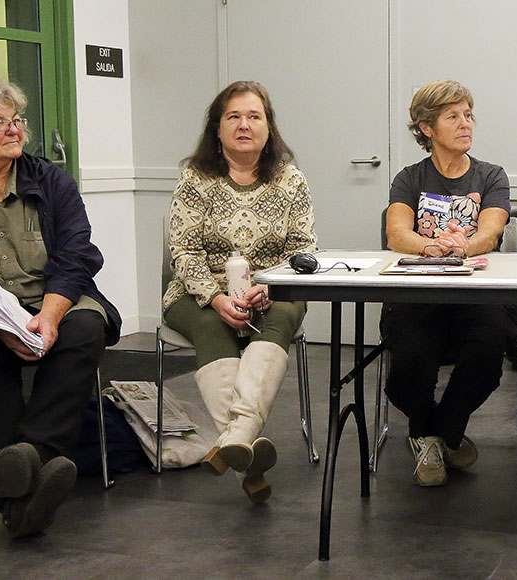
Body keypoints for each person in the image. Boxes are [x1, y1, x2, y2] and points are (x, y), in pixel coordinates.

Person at [0, 78, 121, 537]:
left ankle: (28, 456)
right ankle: (21, 499)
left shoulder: (52, 180)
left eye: (16, 120)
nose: (14, 129)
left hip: (53, 298)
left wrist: (50, 315)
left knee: (84, 330)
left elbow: (77, 254)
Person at [163, 80, 317, 503]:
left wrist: (268, 287)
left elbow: (303, 250)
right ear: (217, 128)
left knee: (284, 315)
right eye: (233, 116)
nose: (244, 125)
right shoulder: (195, 179)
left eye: (254, 116)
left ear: (269, 127)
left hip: (273, 290)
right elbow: (183, 251)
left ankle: (237, 439)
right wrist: (217, 298)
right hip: (199, 292)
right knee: (213, 326)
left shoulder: (290, 180)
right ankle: (245, 451)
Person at [380, 79, 517, 487]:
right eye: (453, 116)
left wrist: (464, 246)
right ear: (427, 128)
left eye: (469, 115)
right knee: (409, 360)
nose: (465, 124)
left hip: (477, 294)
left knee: (489, 347)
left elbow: (491, 231)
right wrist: (430, 247)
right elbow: (397, 233)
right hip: (419, 293)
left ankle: (439, 432)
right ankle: (432, 434)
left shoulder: (491, 176)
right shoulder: (410, 178)